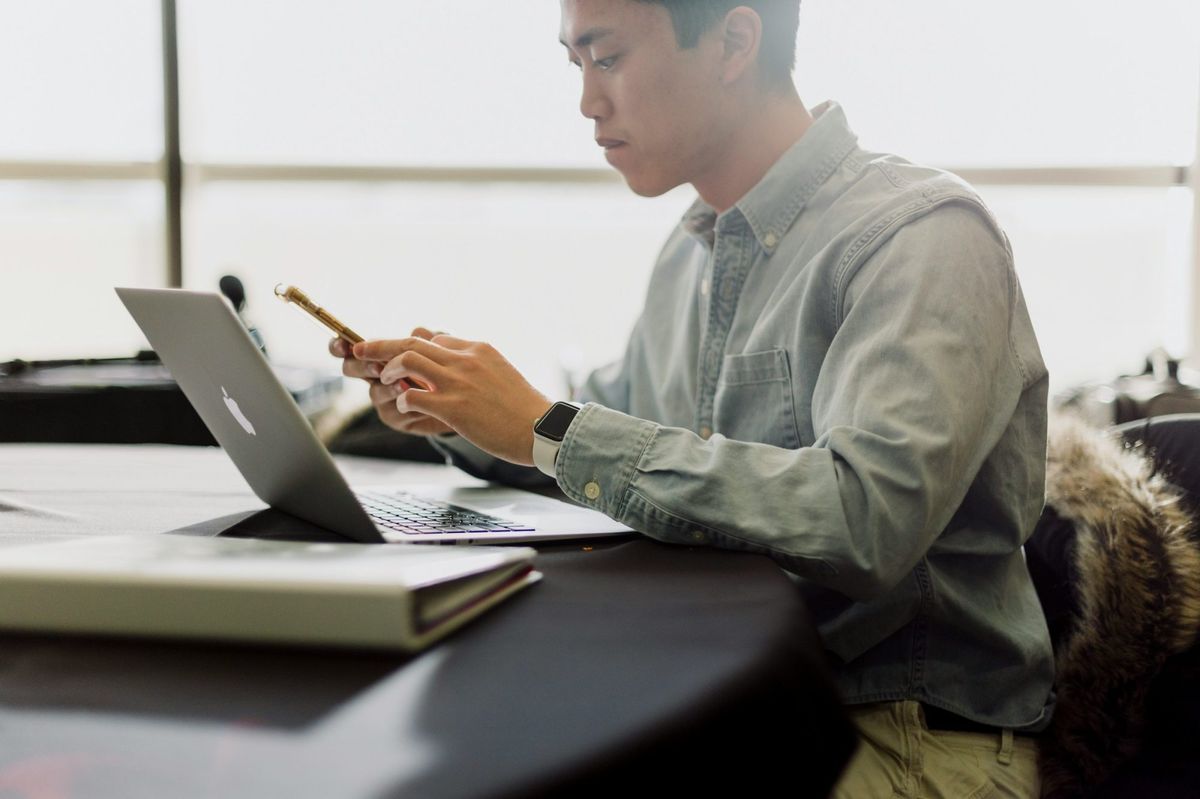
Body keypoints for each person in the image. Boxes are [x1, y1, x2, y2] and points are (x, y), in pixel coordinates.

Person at [332, 1, 1054, 795]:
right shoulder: (691, 254)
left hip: (898, 729)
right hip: (734, 697)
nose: (587, 102)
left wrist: (548, 427)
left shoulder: (921, 237)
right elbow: (606, 445)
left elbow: (865, 518)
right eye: (575, 66)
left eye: (605, 58)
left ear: (734, 41)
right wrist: (463, 413)